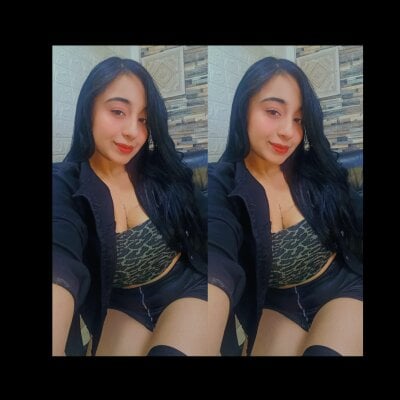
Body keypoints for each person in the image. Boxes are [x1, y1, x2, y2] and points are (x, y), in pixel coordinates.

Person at [52, 56, 208, 356]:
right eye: (118, 112)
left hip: (184, 288)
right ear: (88, 110)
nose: (133, 132)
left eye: (143, 120)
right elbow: (60, 256)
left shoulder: (161, 170)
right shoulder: (66, 185)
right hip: (122, 305)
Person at [207, 56, 363, 356]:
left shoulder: (317, 170)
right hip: (277, 306)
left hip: (340, 288)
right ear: (243, 110)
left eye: (298, 120)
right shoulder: (223, 184)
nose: (288, 132)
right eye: (273, 112)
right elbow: (215, 256)